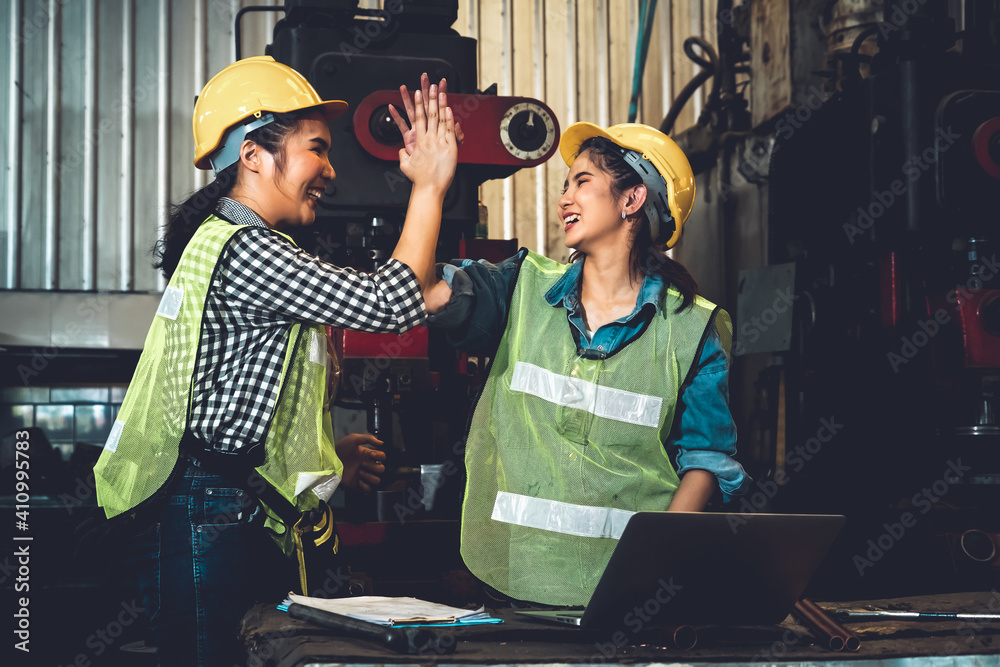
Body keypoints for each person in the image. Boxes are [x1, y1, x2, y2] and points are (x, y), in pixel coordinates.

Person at [92, 56, 459, 665]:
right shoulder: (248, 249)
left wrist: (323, 460)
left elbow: (242, 400)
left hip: (221, 505)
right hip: (210, 512)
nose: (330, 170)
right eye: (316, 148)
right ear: (254, 155)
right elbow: (390, 299)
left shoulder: (236, 244)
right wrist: (429, 186)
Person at [421, 122, 751, 607]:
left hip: (631, 589)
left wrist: (653, 568)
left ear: (632, 199)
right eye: (564, 185)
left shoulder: (690, 326)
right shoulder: (522, 287)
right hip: (520, 582)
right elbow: (428, 294)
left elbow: (704, 461)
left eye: (582, 181)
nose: (564, 198)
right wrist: (430, 187)